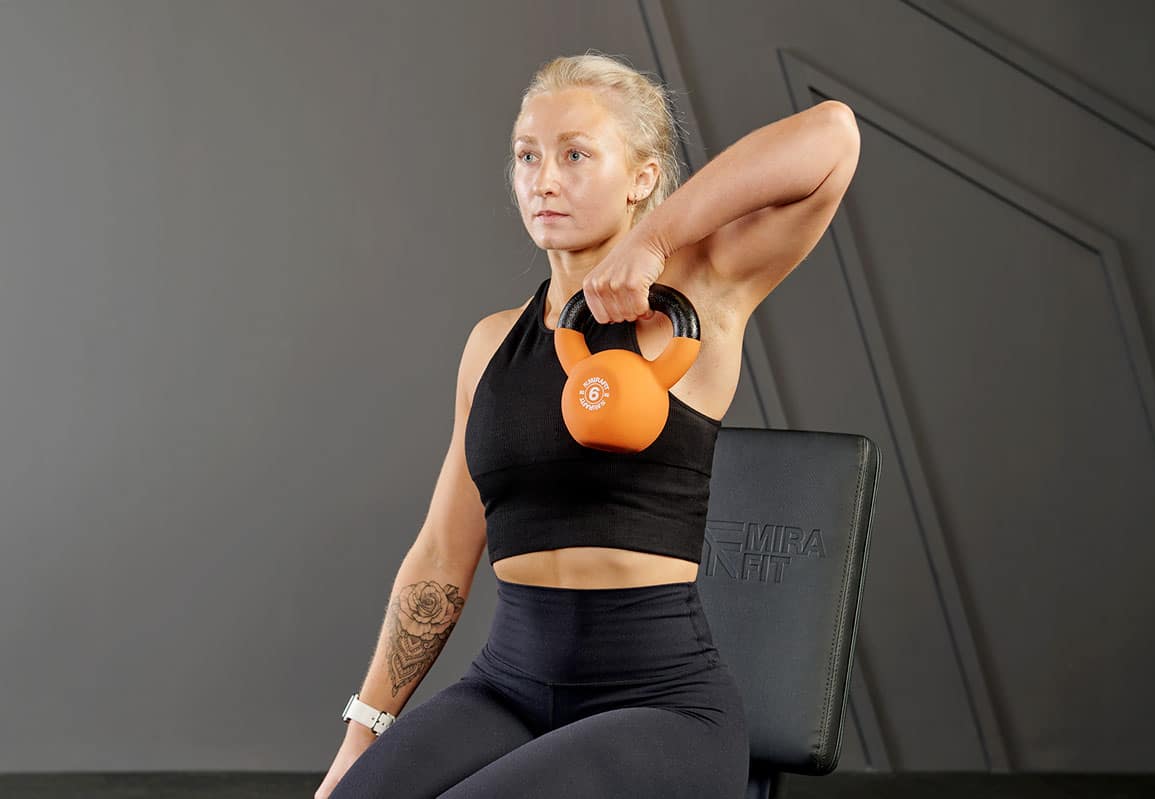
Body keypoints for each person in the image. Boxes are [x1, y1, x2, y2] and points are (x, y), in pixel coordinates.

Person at [315, 50, 860, 798]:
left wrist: (654, 242)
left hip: (659, 704)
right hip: (505, 691)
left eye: (575, 155)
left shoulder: (700, 301)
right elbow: (441, 558)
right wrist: (359, 738)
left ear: (642, 176)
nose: (543, 179)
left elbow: (832, 136)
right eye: (527, 156)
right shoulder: (492, 345)